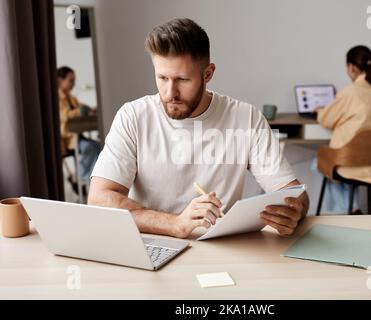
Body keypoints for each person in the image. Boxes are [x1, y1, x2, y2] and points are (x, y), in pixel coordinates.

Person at [88, 18, 309, 239]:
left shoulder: (246, 118)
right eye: (162, 78)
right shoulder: (133, 116)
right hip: (151, 243)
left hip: (221, 246)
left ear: (208, 74)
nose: (170, 93)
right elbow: (99, 198)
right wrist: (175, 224)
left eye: (182, 80)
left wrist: (294, 211)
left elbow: (293, 193)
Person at [313, 45, 371, 214]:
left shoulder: (350, 92)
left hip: (351, 162)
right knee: (345, 165)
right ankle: (352, 209)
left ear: (351, 67)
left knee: (318, 164)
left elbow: (327, 119)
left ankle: (352, 210)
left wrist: (320, 111)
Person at [57, 66, 102, 193]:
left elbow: (80, 106)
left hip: (77, 136)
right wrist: (79, 111)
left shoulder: (70, 98)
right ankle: (79, 178)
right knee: (89, 147)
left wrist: (90, 109)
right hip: (66, 138)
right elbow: (64, 115)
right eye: (70, 80)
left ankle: (89, 179)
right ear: (60, 80)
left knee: (98, 146)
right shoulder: (57, 97)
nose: (73, 84)